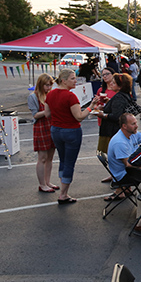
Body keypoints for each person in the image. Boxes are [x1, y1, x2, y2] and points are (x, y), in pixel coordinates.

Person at [45, 69, 96, 204]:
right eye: (73, 78)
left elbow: (47, 114)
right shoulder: (70, 96)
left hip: (56, 130)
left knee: (63, 159)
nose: (75, 81)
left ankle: (63, 187)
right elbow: (79, 117)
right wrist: (91, 107)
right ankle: (63, 193)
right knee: (69, 162)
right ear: (64, 80)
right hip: (71, 131)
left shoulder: (50, 94)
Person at [92, 72, 135, 161]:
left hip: (112, 131)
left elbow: (116, 116)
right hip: (117, 131)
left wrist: (102, 114)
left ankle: (117, 174)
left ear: (120, 86)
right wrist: (108, 104)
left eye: (114, 83)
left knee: (114, 158)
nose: (111, 84)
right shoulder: (124, 95)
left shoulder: (119, 97)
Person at [105, 113, 141, 201]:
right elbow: (128, 165)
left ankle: (123, 190)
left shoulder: (132, 133)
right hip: (122, 176)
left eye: (136, 123)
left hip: (126, 171)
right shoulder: (120, 142)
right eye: (133, 124)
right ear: (124, 126)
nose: (136, 126)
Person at [28, 73, 57, 193]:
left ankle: (47, 181)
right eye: (46, 85)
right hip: (41, 127)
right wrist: (47, 110)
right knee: (42, 158)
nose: (49, 88)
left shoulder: (50, 95)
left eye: (50, 85)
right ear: (40, 84)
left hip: (51, 126)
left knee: (50, 157)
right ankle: (42, 184)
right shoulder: (33, 97)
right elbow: (35, 115)